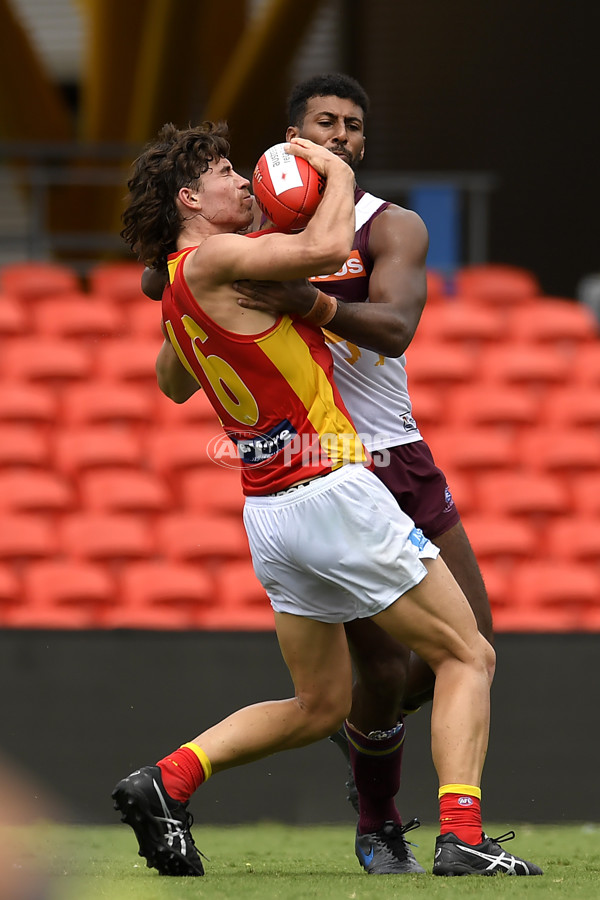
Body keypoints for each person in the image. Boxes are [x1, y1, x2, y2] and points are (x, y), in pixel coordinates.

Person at [112, 121, 541, 880]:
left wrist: (198, 315)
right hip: (334, 490)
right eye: (223, 173)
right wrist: (333, 171)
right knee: (468, 652)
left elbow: (172, 383)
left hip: (271, 513)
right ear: (189, 198)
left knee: (318, 705)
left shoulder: (184, 284)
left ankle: (168, 779)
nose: (242, 183)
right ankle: (463, 837)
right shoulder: (217, 257)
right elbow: (320, 250)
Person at [233, 73, 495, 874]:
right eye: (324, 121)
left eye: (351, 125)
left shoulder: (390, 226)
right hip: (326, 465)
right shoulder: (249, 226)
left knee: (466, 643)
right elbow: (164, 276)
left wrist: (299, 301)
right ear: (290, 136)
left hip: (398, 451)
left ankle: (366, 760)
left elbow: (396, 328)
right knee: (380, 667)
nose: (340, 134)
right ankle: (381, 826)